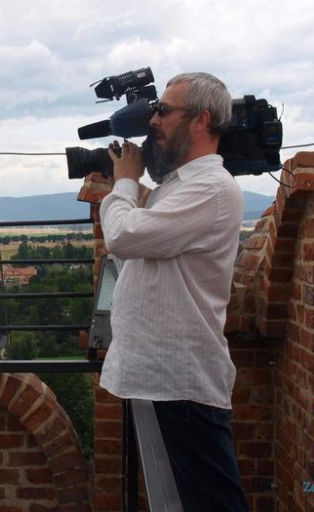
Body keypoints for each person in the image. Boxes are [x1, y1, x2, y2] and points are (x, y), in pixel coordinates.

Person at [99, 72, 248, 511]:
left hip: (181, 380)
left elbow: (123, 237)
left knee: (211, 502)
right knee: (175, 502)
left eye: (163, 110)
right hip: (161, 375)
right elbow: (139, 255)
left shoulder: (211, 188)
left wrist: (124, 181)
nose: (152, 120)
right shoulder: (177, 187)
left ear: (201, 120)